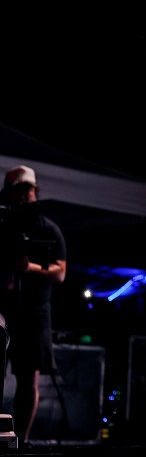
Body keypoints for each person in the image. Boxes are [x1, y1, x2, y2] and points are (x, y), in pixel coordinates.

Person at [0, 165, 67, 444]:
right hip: (4, 310)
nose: (23, 196)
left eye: (27, 189)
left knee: (29, 381)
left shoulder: (48, 229)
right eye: (17, 191)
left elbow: (60, 272)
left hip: (35, 313)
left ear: (35, 191)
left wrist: (30, 268)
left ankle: (22, 442)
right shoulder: (3, 226)